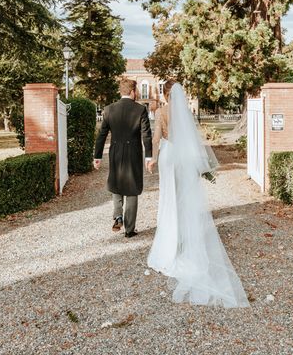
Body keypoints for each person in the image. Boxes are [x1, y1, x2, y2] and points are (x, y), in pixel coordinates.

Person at [147, 80, 249, 308]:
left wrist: (152, 158)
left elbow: (156, 138)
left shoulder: (161, 111)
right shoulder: (185, 113)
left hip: (168, 156)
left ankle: (170, 243)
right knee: (184, 199)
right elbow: (194, 141)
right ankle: (186, 238)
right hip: (184, 159)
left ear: (165, 95)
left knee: (169, 200)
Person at [94, 78, 154, 238]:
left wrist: (97, 156)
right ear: (133, 91)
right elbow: (146, 135)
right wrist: (149, 156)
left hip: (115, 152)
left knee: (116, 182)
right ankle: (129, 229)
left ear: (121, 91)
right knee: (132, 188)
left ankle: (117, 215)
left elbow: (102, 135)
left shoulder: (109, 109)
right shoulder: (140, 109)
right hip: (133, 152)